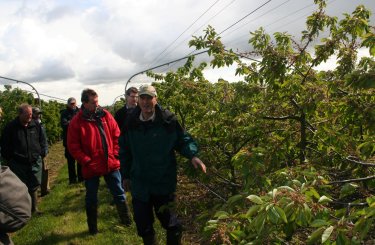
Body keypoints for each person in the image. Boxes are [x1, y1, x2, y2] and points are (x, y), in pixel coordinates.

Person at [119, 85, 207, 245]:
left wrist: (193, 155)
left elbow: (182, 140)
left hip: (163, 182)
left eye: (149, 98)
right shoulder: (131, 122)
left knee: (172, 224)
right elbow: (124, 150)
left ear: (156, 99)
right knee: (143, 225)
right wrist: (125, 175)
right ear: (138, 100)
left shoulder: (168, 121)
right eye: (142, 98)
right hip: (140, 183)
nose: (145, 102)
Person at [67, 89, 132, 235]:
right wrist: (87, 161)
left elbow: (117, 135)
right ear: (84, 103)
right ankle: (93, 229)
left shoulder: (105, 115)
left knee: (119, 193)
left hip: (110, 163)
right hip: (91, 166)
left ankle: (127, 222)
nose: (97, 105)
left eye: (97, 101)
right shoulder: (76, 122)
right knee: (91, 198)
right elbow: (73, 146)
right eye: (94, 102)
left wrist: (115, 154)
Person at [0, 103, 47, 214]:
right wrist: (10, 159)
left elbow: (42, 140)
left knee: (34, 184)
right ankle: (23, 211)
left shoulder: (35, 125)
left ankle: (34, 209)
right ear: (20, 114)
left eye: (31, 114)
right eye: (27, 115)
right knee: (21, 186)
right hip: (18, 162)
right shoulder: (11, 127)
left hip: (34, 161)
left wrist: (41, 152)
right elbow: (5, 145)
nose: (30, 117)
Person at [60, 97, 82, 184]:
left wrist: (71, 123)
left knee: (80, 160)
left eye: (74, 103)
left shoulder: (80, 111)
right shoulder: (64, 113)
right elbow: (64, 125)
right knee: (70, 161)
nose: (73, 105)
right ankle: (72, 180)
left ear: (76, 103)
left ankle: (81, 178)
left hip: (79, 140)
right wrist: (75, 122)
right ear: (68, 104)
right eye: (71, 104)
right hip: (68, 141)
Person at [32, 107, 50, 196]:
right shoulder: (32, 125)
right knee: (38, 171)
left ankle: (45, 189)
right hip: (38, 151)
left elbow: (44, 138)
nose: (38, 115)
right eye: (36, 113)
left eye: (39, 113)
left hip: (44, 149)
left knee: (45, 169)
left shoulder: (40, 123)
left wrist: (46, 148)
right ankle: (39, 189)